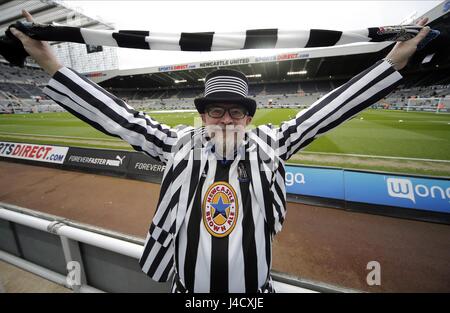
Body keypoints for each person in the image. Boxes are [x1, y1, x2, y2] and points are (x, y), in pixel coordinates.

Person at [10, 10, 430, 293]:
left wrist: (391, 62)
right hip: (187, 291)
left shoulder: (271, 144)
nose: (225, 120)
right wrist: (50, 61)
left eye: (235, 112)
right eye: (216, 111)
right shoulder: (179, 145)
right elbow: (117, 116)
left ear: (248, 118)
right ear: (204, 116)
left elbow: (327, 112)